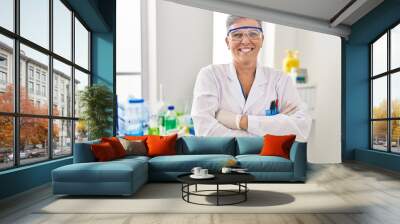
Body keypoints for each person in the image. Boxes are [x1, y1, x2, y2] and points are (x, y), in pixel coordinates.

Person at [191, 15, 312, 142]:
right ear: (227, 42)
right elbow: (204, 131)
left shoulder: (280, 80)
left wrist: (241, 121)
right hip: (221, 159)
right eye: (237, 35)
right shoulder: (210, 75)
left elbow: (301, 127)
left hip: (269, 161)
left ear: (262, 40)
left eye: (253, 34)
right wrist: (266, 135)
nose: (245, 41)